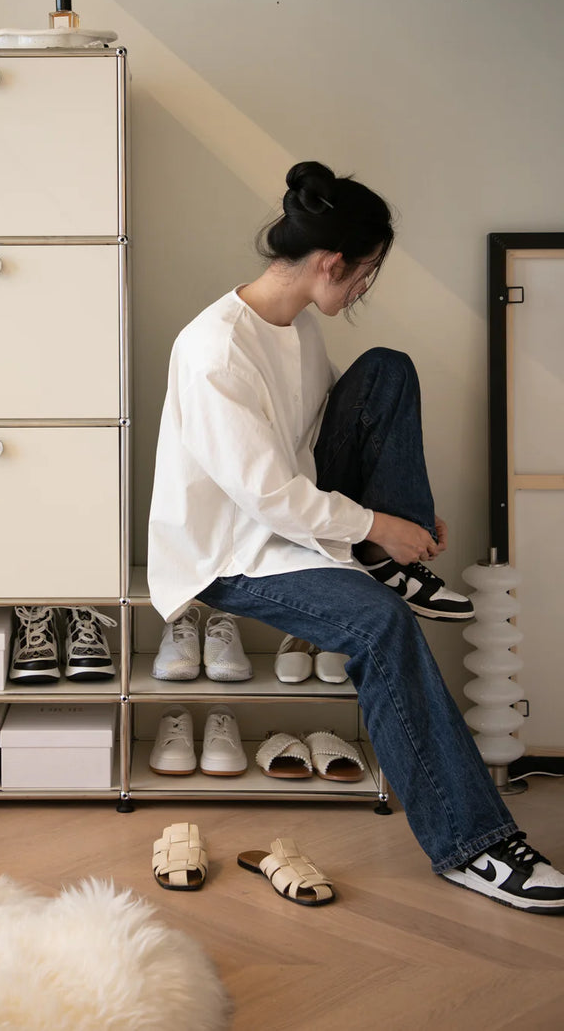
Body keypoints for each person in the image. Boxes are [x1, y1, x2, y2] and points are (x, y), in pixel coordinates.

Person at [147, 159, 564, 915]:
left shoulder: (298, 326)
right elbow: (265, 495)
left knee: (385, 369)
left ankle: (386, 561)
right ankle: (474, 846)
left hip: (295, 519)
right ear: (333, 262)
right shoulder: (215, 349)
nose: (365, 287)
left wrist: (400, 519)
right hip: (234, 551)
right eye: (367, 273)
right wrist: (376, 524)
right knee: (381, 624)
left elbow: (334, 429)